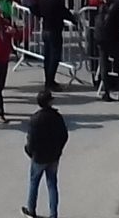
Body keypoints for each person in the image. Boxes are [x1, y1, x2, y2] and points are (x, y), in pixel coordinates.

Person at [22, 87, 68, 218]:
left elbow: (31, 140)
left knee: (34, 183)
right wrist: (59, 150)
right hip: (53, 156)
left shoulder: (35, 119)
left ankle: (31, 210)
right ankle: (53, 214)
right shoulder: (57, 117)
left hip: (38, 157)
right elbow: (64, 135)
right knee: (52, 184)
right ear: (50, 102)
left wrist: (30, 152)